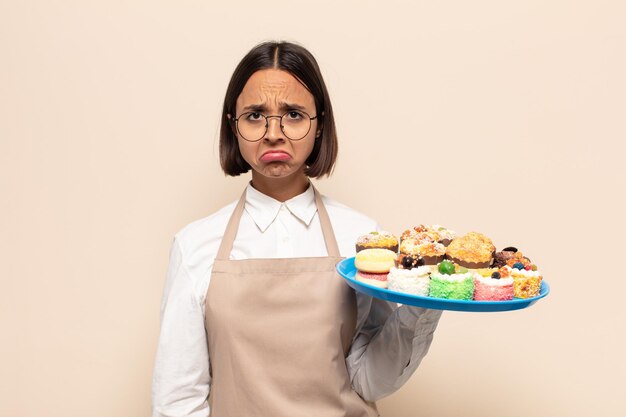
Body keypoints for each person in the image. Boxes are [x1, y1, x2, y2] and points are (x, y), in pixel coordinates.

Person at [152, 41, 442, 417]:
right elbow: (178, 399)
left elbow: (371, 380)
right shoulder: (195, 245)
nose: (274, 133)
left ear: (319, 124)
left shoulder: (361, 237)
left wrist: (424, 304)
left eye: (293, 114)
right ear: (233, 127)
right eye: (255, 115)